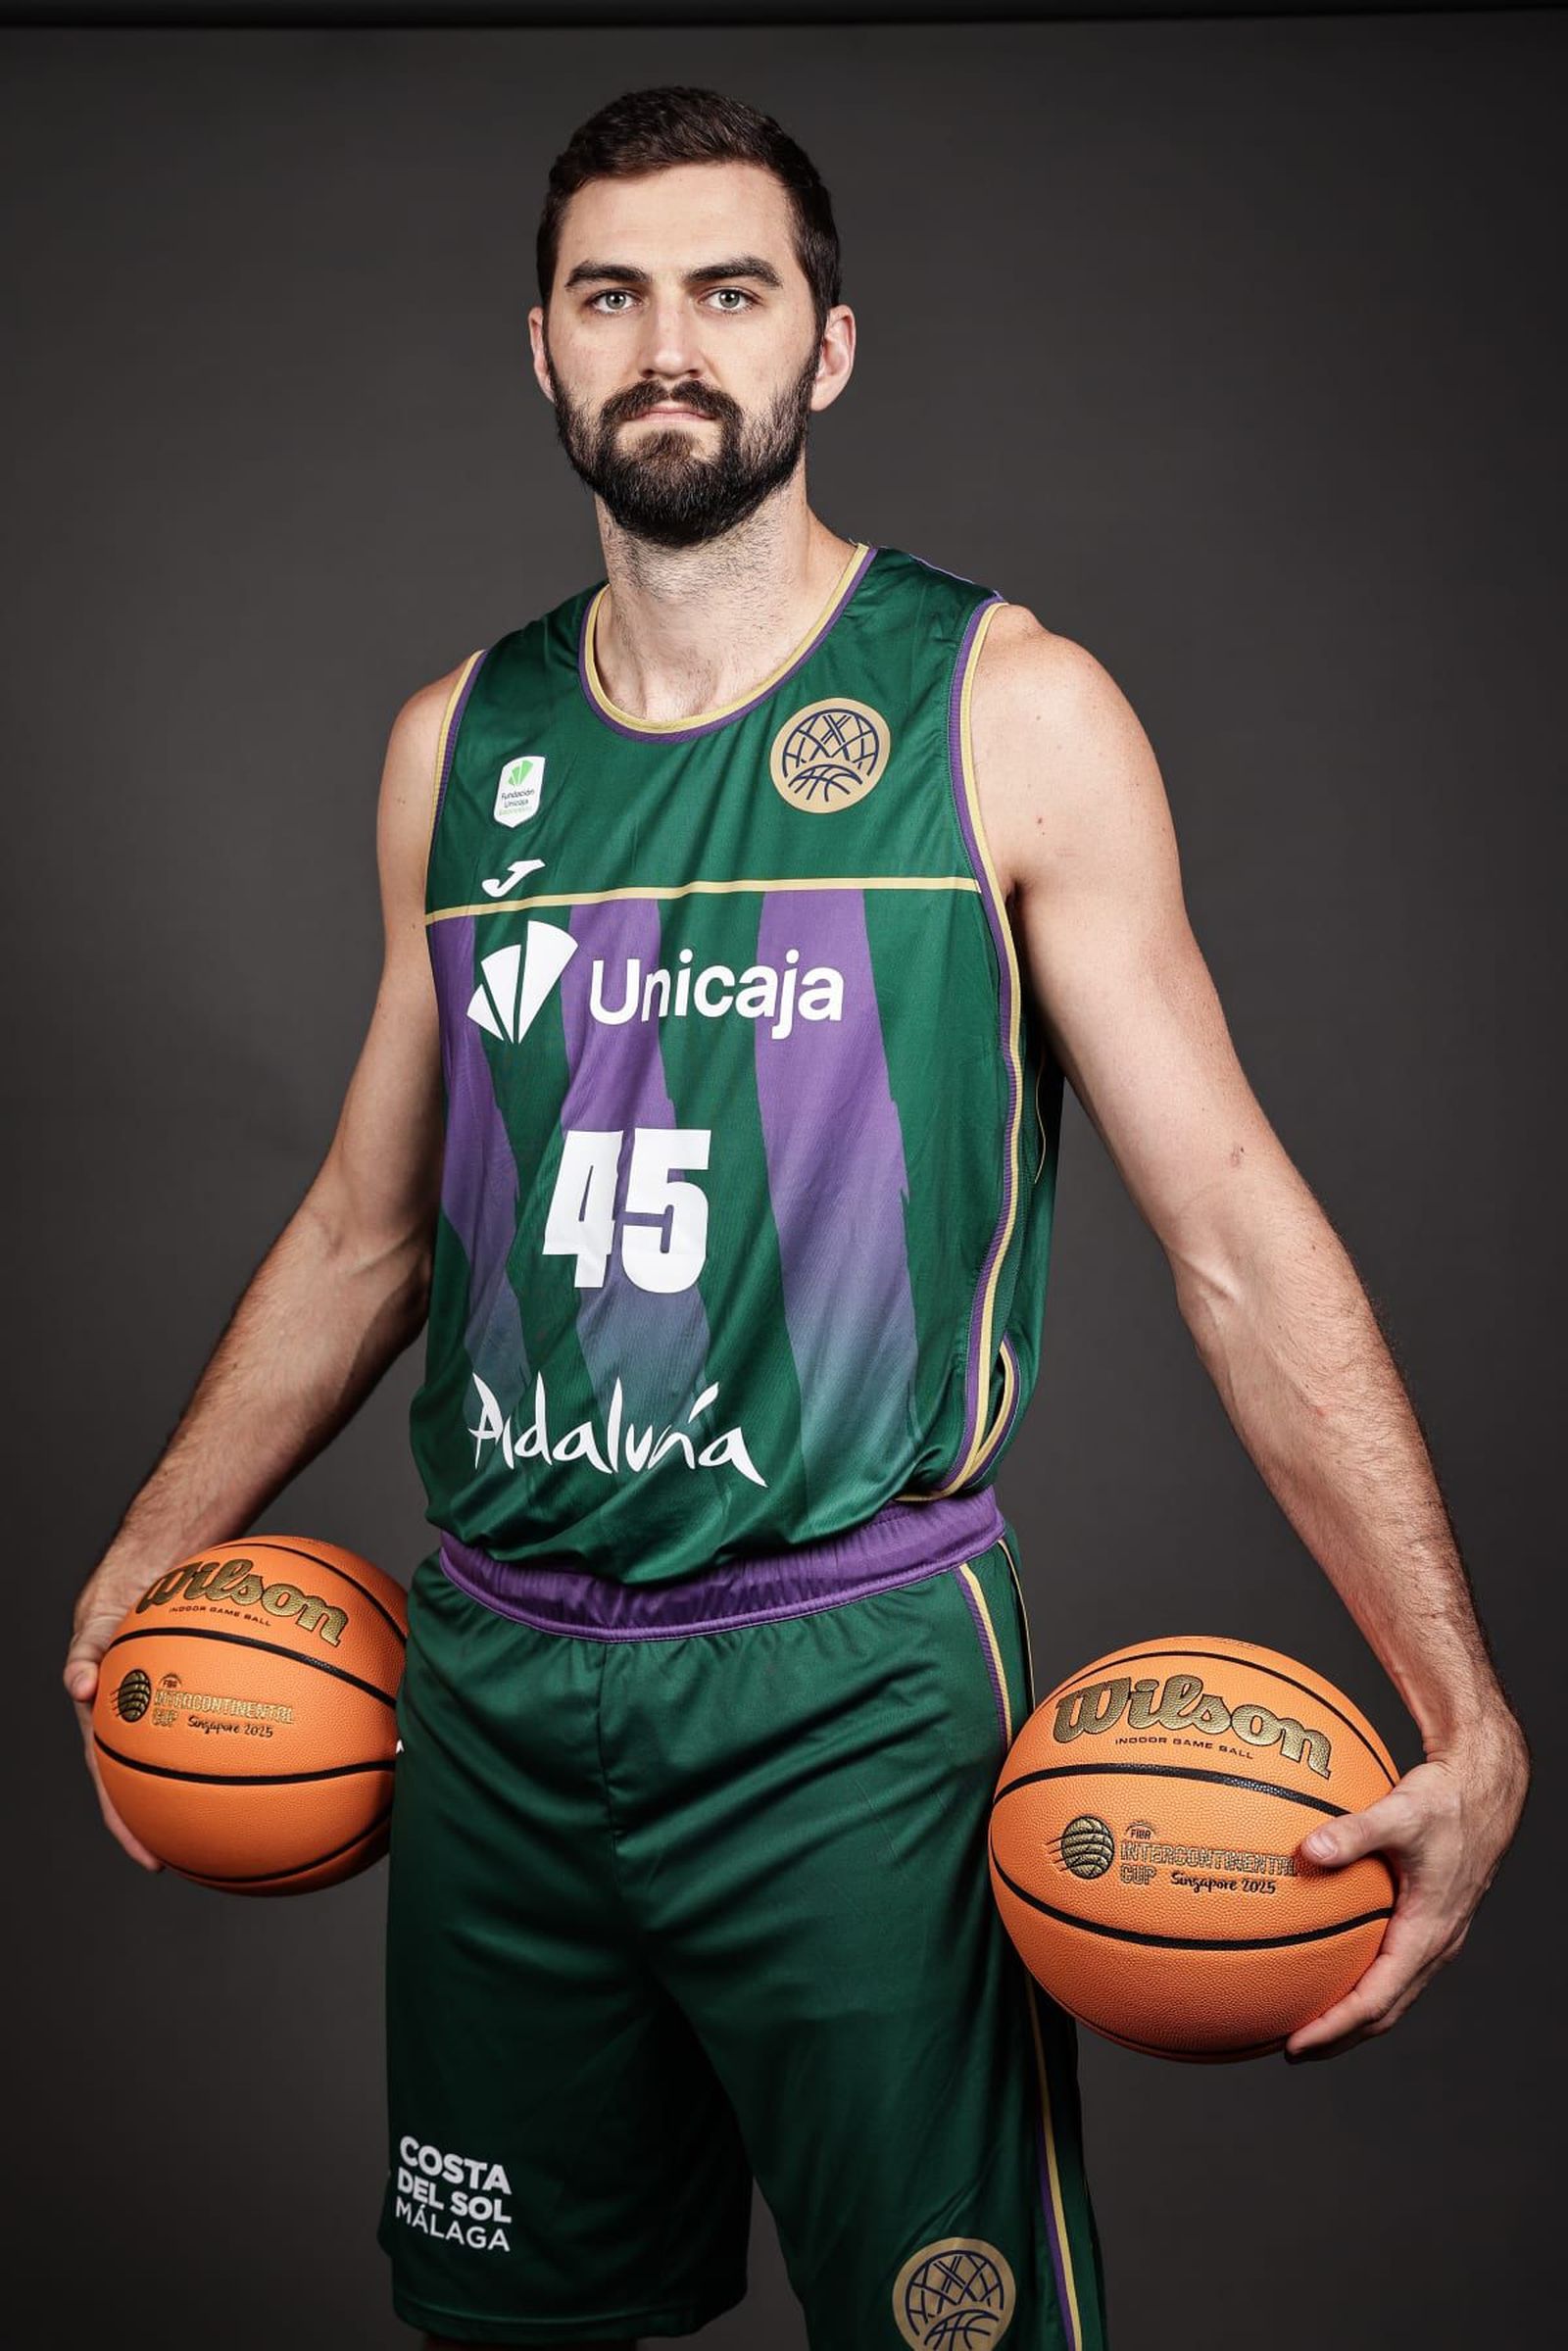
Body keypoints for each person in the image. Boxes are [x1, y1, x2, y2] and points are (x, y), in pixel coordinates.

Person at [65, 83, 1528, 2351]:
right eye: (610, 295)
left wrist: (1457, 1701)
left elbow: (1229, 1226)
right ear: (535, 350)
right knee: (505, 2329)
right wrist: (150, 1547)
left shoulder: (1004, 712)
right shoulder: (458, 745)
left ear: (823, 349)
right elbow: (371, 1226)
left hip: (847, 1701)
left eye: (727, 292)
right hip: (494, 1689)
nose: (668, 343)